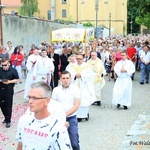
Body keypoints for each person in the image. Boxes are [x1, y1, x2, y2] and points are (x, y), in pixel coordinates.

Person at [16, 81, 72, 150]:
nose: (30, 101)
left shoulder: (57, 128)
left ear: (47, 101)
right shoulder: (23, 120)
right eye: (29, 97)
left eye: (35, 98)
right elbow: (20, 144)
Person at [52, 71, 80, 150]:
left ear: (70, 79)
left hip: (71, 118)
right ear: (60, 79)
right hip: (58, 119)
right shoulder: (56, 90)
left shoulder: (75, 89)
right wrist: (61, 118)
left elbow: (76, 105)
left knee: (74, 142)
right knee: (58, 142)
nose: (65, 80)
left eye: (67, 78)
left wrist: (64, 116)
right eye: (63, 78)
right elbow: (54, 105)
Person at [66, 54, 95, 121]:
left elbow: (91, 75)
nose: (78, 60)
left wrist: (82, 75)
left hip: (84, 86)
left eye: (80, 59)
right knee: (74, 99)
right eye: (77, 59)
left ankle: (84, 115)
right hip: (74, 85)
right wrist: (74, 75)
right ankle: (75, 114)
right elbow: (68, 74)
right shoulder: (72, 66)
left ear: (83, 59)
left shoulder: (87, 66)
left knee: (84, 99)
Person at [0, 58, 19, 128]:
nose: (4, 67)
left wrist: (9, 82)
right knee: (1, 104)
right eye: (2, 65)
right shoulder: (0, 70)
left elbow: (17, 79)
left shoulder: (13, 70)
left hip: (8, 89)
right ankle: (6, 117)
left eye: (5, 65)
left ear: (8, 64)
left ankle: (8, 120)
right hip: (0, 89)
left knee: (8, 105)